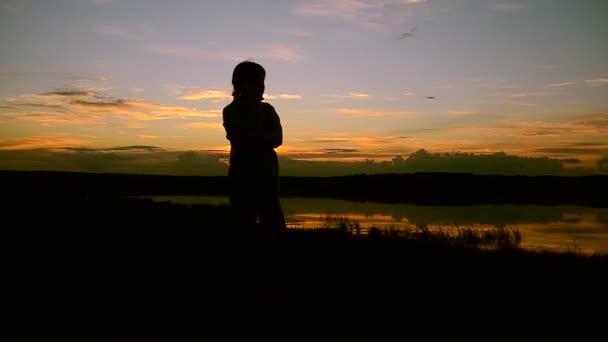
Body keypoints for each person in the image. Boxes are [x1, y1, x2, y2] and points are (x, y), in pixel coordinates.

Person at [222, 60, 287, 232]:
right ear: (240, 84)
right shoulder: (230, 110)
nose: (261, 86)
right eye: (256, 81)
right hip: (241, 176)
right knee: (242, 219)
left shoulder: (268, 110)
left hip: (268, 177)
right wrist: (261, 138)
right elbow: (239, 137)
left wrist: (251, 137)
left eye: (262, 82)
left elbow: (277, 138)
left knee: (273, 219)